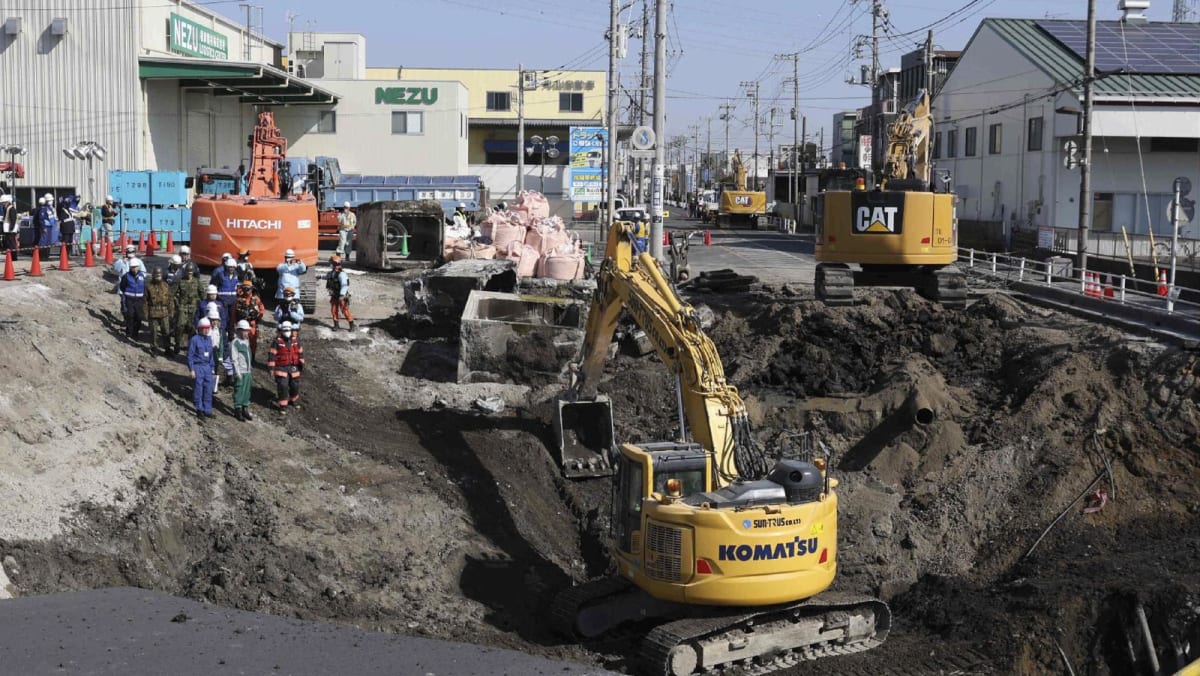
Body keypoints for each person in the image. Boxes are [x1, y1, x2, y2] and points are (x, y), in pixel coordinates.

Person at [267, 320, 305, 414]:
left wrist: (301, 364)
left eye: (289, 330)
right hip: (281, 367)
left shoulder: (295, 341)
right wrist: (271, 369)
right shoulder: (277, 342)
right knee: (283, 385)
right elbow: (272, 355)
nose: (287, 332)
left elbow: (300, 352)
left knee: (294, 385)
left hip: (293, 366)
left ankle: (293, 400)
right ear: (281, 330)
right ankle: (283, 405)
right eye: (285, 330)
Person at [188, 317, 216, 419]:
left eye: (207, 328)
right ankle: (199, 409)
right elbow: (190, 356)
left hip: (207, 367)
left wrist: (212, 367)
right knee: (198, 389)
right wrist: (191, 369)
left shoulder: (209, 339)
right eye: (204, 328)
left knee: (208, 389)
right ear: (199, 328)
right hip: (198, 367)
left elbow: (211, 355)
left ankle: (207, 410)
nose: (206, 330)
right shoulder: (194, 340)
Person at [173, 266, 203, 356]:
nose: (189, 274)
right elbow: (172, 293)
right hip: (182, 307)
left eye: (191, 272)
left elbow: (202, 293)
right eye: (188, 272)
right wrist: (176, 302)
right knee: (179, 326)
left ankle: (191, 347)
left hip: (193, 307)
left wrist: (201, 305)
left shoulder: (197, 282)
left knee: (192, 328)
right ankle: (177, 344)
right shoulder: (180, 281)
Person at [145, 266, 175, 355]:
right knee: (153, 333)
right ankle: (154, 349)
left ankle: (167, 349)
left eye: (159, 275)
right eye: (156, 275)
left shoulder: (166, 286)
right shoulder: (149, 286)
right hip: (153, 313)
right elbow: (145, 301)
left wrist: (171, 311)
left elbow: (170, 299)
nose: (158, 277)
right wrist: (145, 313)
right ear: (153, 276)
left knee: (166, 332)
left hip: (164, 313)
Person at [210, 255, 240, 341]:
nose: (231, 269)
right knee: (223, 318)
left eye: (233, 267)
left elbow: (237, 286)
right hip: (222, 301)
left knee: (232, 319)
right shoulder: (220, 275)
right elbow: (214, 286)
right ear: (226, 266)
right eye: (229, 267)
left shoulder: (236, 275)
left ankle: (231, 336)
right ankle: (222, 335)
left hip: (232, 301)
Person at [234, 279, 268, 355]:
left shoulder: (256, 299)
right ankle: (242, 357)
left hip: (252, 324)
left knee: (253, 341)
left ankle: (252, 358)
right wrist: (235, 324)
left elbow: (262, 309)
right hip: (241, 325)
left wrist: (258, 318)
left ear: (251, 288)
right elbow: (234, 313)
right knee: (241, 341)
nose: (246, 290)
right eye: (244, 288)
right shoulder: (238, 300)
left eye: (248, 288)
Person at [230, 320, 254, 421]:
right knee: (239, 390)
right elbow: (234, 359)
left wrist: (250, 367)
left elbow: (248, 355)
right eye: (244, 331)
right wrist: (237, 372)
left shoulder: (247, 341)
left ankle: (245, 408)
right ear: (239, 331)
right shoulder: (235, 343)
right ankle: (238, 410)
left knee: (247, 391)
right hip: (240, 371)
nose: (246, 333)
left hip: (248, 371)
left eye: (247, 331)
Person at [325, 255, 356, 331]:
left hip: (341, 296)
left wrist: (342, 295)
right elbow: (327, 277)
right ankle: (336, 325)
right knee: (334, 310)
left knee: (344, 310)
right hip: (335, 295)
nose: (330, 264)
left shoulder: (342, 274)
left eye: (331, 263)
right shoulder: (332, 273)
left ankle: (351, 324)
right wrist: (319, 277)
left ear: (335, 264)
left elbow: (344, 285)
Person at [119, 258, 146, 340]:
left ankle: (135, 333)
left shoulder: (142, 276)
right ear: (130, 267)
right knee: (130, 315)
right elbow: (122, 287)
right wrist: (127, 294)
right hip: (129, 299)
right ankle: (129, 333)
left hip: (139, 299)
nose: (134, 269)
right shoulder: (126, 276)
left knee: (139, 317)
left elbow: (144, 287)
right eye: (133, 267)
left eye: (136, 267)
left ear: (138, 267)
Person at [1, 195, 17, 260]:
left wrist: (11, 228)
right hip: (8, 229)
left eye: (3, 202)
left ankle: (14, 257)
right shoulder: (7, 208)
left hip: (11, 230)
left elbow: (13, 219)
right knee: (9, 243)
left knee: (12, 244)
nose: (2, 204)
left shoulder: (11, 208)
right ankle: (11, 256)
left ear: (7, 202)